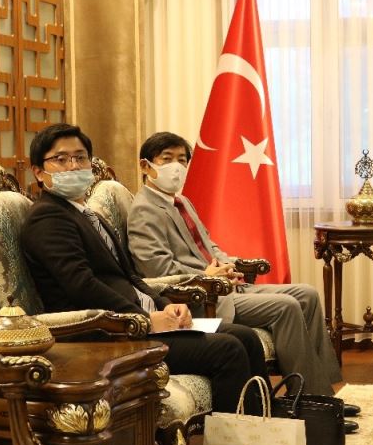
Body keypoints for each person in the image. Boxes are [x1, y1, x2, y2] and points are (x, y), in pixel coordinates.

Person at [20, 123, 269, 415]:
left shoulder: (86, 214)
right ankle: (233, 442)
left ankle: (265, 427)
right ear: (39, 171)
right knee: (227, 349)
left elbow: (130, 277)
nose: (73, 166)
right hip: (106, 334)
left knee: (245, 337)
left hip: (139, 322)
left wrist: (167, 305)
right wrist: (145, 319)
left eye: (80, 157)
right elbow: (82, 286)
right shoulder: (48, 218)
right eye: (61, 159)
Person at [126, 132, 361, 432]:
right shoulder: (144, 209)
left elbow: (208, 245)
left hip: (224, 283)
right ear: (146, 166)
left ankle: (322, 397)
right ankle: (306, 405)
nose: (176, 167)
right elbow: (156, 268)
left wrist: (229, 264)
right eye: (167, 159)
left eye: (182, 160)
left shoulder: (181, 201)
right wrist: (206, 277)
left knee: (307, 294)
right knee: (286, 307)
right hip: (201, 297)